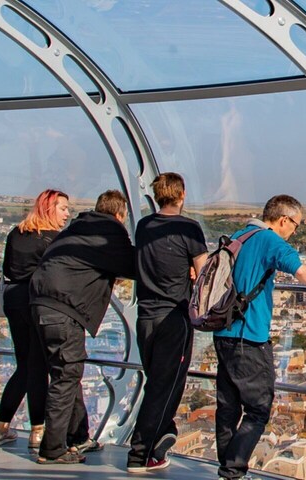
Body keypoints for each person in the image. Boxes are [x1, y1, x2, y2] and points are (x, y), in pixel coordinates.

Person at [213, 194, 306, 479]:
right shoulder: (270, 240)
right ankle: (233, 469)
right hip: (249, 336)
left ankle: (227, 467)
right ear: (284, 219)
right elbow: (299, 270)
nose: (294, 231)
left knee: (227, 406)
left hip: (223, 330)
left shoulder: (242, 234)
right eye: (296, 225)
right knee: (258, 409)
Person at [30, 191, 136, 464]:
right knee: (67, 375)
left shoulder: (77, 228)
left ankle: (78, 436)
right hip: (65, 309)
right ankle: (52, 449)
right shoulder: (110, 232)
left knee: (67, 371)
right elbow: (132, 265)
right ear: (119, 215)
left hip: (40, 303)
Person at [126, 173, 209, 472]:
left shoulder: (144, 226)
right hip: (174, 315)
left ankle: (161, 437)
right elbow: (204, 274)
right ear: (182, 194)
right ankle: (140, 452)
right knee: (165, 386)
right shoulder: (189, 228)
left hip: (145, 315)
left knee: (156, 383)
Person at [0, 189, 70, 448]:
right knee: (38, 367)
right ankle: (37, 430)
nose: (67, 214)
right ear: (50, 209)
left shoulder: (17, 233)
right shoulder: (54, 239)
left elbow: (6, 269)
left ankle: (1, 427)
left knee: (24, 365)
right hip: (38, 302)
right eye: (63, 209)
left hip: (14, 300)